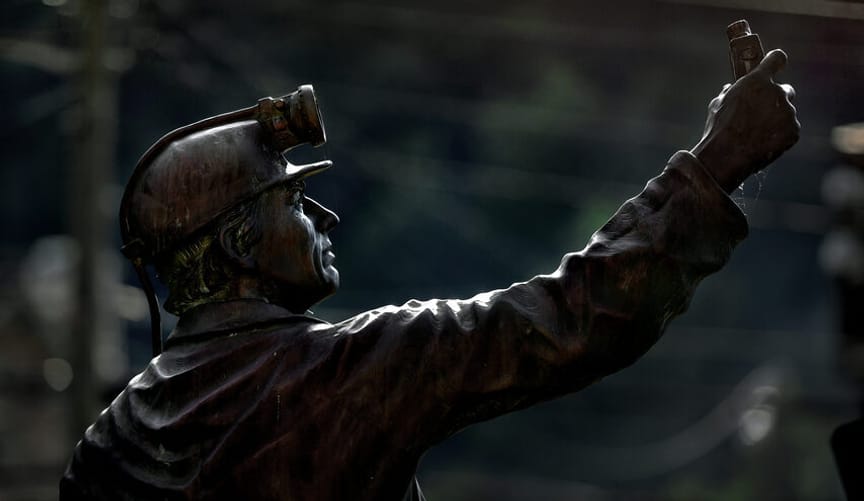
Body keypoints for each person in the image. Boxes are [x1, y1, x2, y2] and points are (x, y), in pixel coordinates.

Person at [60, 49, 799, 500]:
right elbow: (581, 311)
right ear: (242, 242)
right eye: (294, 200)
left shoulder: (104, 450)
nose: (327, 218)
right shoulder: (353, 368)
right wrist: (714, 165)